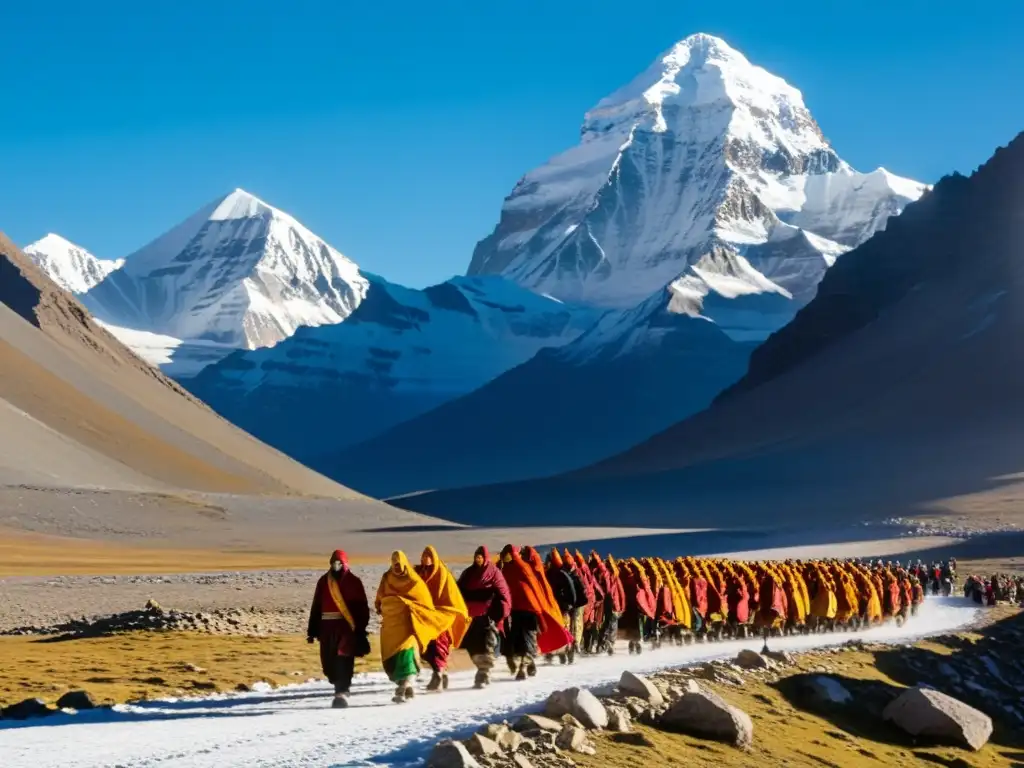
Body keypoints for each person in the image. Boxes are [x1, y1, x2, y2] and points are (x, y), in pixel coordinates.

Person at [375, 550, 455, 703]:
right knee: (394, 656)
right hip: (392, 627)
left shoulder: (413, 579)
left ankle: (404, 686)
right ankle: (407, 686)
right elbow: (380, 597)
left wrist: (408, 606)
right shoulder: (387, 578)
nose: (398, 567)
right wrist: (384, 607)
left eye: (400, 563)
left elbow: (424, 601)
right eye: (395, 564)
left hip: (409, 624)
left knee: (407, 654)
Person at [307, 549, 371, 708]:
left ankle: (341, 692)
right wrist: (312, 630)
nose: (336, 566)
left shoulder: (353, 581)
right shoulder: (324, 581)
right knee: (328, 661)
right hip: (327, 627)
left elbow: (362, 607)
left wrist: (360, 628)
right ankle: (337, 684)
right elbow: (317, 606)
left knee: (343, 658)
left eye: (339, 563)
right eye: (334, 563)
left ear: (345, 563)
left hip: (346, 628)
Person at [499, 544, 572, 679]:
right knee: (521, 640)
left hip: (528, 610)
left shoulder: (522, 568)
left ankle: (523, 666)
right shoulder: (509, 570)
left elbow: (534, 591)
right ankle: (528, 662)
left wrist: (539, 613)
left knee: (526, 639)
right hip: (518, 610)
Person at [415, 546, 470, 692]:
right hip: (425, 618)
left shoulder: (443, 575)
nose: (425, 559)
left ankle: (438, 675)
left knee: (438, 647)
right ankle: (440, 672)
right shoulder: (417, 573)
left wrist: (444, 613)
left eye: (429, 556)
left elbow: (452, 598)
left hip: (442, 618)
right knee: (426, 648)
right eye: (424, 555)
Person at [456, 545, 511, 688]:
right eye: (476, 557)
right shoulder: (468, 573)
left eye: (481, 557)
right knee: (472, 646)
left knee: (487, 646)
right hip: (471, 617)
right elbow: (458, 591)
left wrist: (499, 612)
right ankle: (481, 671)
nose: (478, 559)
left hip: (488, 616)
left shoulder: (494, 573)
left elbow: (503, 594)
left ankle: (483, 673)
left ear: (485, 558)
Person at [544, 549, 578, 664]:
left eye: (548, 561)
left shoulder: (561, 574)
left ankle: (567, 651)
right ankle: (556, 652)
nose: (546, 563)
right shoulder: (548, 574)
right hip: (552, 607)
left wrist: (570, 604)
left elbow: (571, 590)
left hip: (562, 607)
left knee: (563, 629)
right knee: (555, 629)